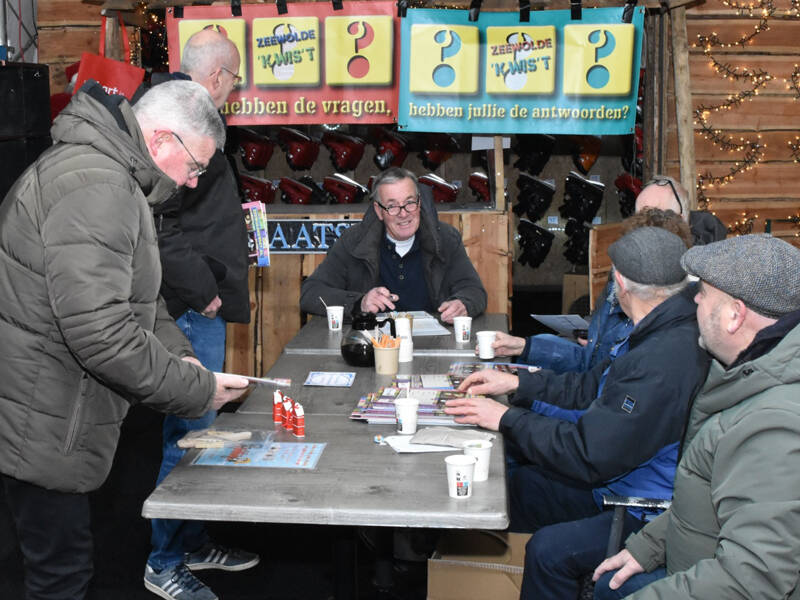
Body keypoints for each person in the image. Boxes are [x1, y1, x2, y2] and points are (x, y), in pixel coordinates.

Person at [0, 79, 249, 600]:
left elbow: (141, 299)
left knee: (79, 565)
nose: (191, 182)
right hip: (43, 422)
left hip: (58, 412)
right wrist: (196, 390)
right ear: (161, 142)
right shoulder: (99, 187)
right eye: (195, 168)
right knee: (58, 579)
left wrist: (183, 359)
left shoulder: (110, 178)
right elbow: (103, 334)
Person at [444, 227, 711, 600]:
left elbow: (590, 454)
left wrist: (504, 419)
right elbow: (588, 386)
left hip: (642, 506)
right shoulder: (657, 329)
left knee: (548, 551)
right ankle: (481, 577)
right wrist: (517, 385)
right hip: (619, 478)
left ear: (620, 282)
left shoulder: (661, 359)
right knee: (520, 486)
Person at [592, 234, 800, 599]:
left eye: (703, 293)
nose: (695, 302)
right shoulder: (745, 373)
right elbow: (711, 501)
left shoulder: (774, 425)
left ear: (735, 315)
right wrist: (648, 547)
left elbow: (751, 581)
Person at [135, 29, 258, 600]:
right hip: (188, 305)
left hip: (200, 300)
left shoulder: (194, 120)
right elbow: (161, 227)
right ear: (216, 77)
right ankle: (163, 561)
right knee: (189, 434)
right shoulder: (184, 127)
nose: (234, 89)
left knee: (202, 431)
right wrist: (204, 288)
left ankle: (192, 541)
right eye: (234, 78)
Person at [492, 176, 720, 374]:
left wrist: (518, 399)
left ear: (679, 220)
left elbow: (608, 396)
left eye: (654, 217)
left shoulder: (690, 289)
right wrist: (524, 346)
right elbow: (595, 363)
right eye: (640, 215)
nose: (643, 225)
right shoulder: (628, 263)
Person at [299, 167, 487, 323]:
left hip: (433, 343)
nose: (403, 214)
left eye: (410, 203)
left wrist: (463, 304)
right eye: (392, 206)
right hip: (371, 345)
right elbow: (310, 294)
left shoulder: (445, 239)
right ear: (379, 211)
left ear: (419, 203)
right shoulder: (353, 242)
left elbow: (475, 291)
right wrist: (359, 303)